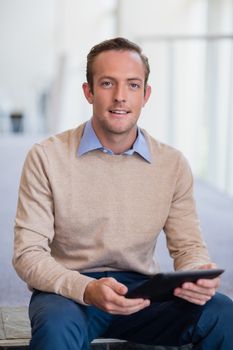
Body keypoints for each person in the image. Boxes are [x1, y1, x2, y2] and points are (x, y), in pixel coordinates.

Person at [13, 37, 233, 350]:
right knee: (54, 332)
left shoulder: (172, 163)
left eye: (132, 85)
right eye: (107, 84)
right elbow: (28, 254)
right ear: (88, 92)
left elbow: (189, 246)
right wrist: (86, 288)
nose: (120, 97)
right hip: (72, 292)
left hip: (144, 292)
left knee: (223, 314)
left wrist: (197, 272)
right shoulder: (46, 157)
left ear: (146, 94)